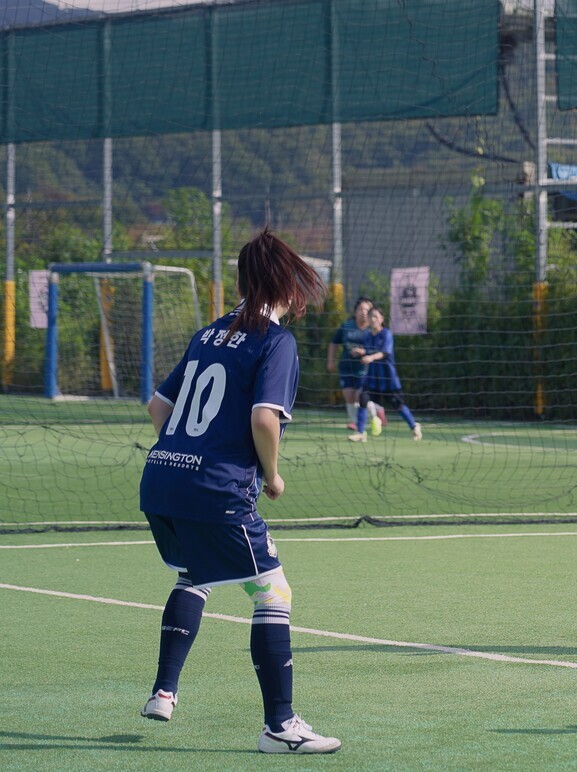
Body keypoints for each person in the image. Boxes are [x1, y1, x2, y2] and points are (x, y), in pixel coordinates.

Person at [138, 229, 340, 754]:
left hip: (161, 477)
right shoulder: (276, 341)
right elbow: (263, 419)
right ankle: (281, 726)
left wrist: (187, 453)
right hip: (216, 489)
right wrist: (272, 475)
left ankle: (164, 691)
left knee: (196, 573)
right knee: (273, 593)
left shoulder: (207, 334)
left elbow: (159, 408)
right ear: (288, 285)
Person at [348, 306, 423, 442]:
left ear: (382, 319)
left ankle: (414, 426)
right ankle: (360, 432)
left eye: (376, 316)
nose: (373, 319)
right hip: (372, 379)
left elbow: (384, 353)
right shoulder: (368, 337)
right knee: (363, 399)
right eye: (371, 316)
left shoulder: (387, 334)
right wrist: (362, 352)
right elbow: (369, 350)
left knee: (398, 405)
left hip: (388, 379)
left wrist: (370, 357)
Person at [327, 297, 385, 434]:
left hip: (365, 369)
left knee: (360, 396)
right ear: (355, 311)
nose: (364, 312)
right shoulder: (346, 326)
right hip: (346, 367)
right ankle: (358, 426)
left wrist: (364, 352)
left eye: (367, 309)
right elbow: (334, 342)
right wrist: (330, 360)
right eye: (361, 309)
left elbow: (380, 350)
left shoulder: (373, 330)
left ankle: (376, 413)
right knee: (348, 396)